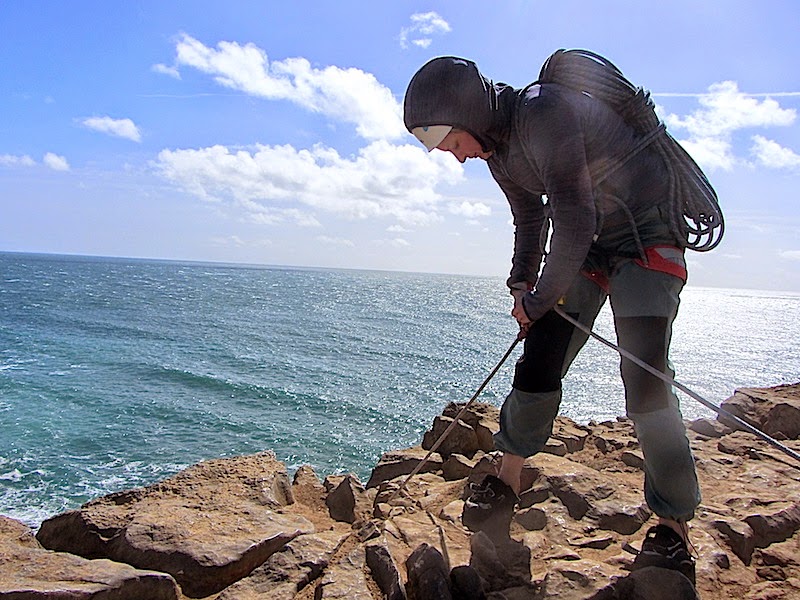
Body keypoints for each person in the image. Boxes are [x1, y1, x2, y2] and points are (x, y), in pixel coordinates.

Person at [403, 52, 705, 583]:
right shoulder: (500, 153)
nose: (455, 157)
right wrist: (521, 286)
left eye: (451, 142)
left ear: (469, 117)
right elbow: (530, 216)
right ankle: (506, 479)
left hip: (648, 238)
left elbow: (573, 213)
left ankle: (674, 526)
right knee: (540, 358)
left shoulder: (544, 112)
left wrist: (541, 299)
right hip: (590, 248)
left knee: (645, 379)